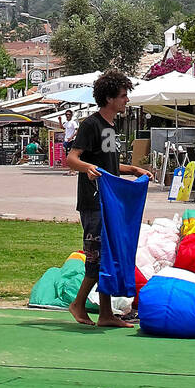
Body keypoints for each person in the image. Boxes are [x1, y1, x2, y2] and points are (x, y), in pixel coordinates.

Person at [65, 70, 150, 328]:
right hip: (94, 201)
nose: (126, 100)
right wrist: (86, 168)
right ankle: (78, 304)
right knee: (96, 256)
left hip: (109, 201)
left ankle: (105, 314)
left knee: (107, 256)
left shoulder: (111, 126)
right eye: (123, 96)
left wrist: (133, 169)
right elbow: (71, 158)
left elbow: (109, 165)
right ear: (110, 98)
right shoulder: (91, 124)